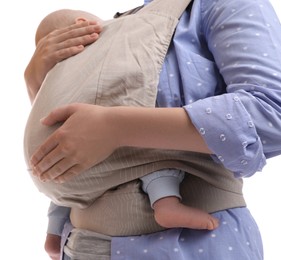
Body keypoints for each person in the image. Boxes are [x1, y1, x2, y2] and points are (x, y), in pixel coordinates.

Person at [24, 0, 281, 259]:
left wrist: (117, 127)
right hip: (78, 246)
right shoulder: (120, 25)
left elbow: (272, 115)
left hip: (187, 245)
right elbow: (69, 134)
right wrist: (37, 82)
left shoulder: (223, 4)